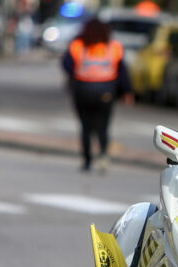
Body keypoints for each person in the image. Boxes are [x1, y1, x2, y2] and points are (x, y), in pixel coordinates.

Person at [61, 18, 134, 173]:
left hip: (82, 90)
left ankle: (87, 160)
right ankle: (103, 156)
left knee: (86, 128)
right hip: (105, 92)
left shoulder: (78, 45)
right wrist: (126, 91)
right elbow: (122, 71)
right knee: (103, 127)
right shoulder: (113, 47)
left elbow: (67, 64)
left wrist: (76, 78)